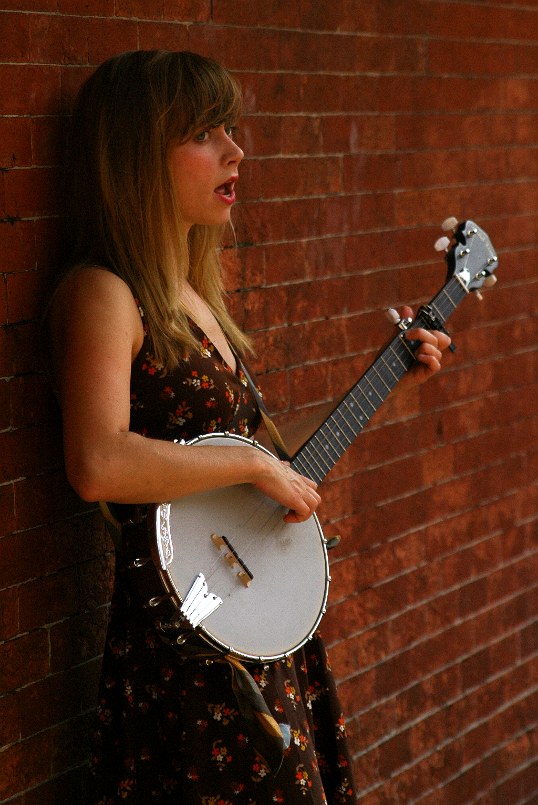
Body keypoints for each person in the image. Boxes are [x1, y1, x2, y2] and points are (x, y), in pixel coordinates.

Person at [45, 50, 451, 804]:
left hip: (246, 624)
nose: (236, 150)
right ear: (138, 155)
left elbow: (261, 451)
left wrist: (388, 373)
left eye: (231, 127)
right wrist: (256, 469)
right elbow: (97, 460)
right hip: (182, 641)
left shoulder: (194, 299)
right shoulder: (105, 292)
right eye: (205, 132)